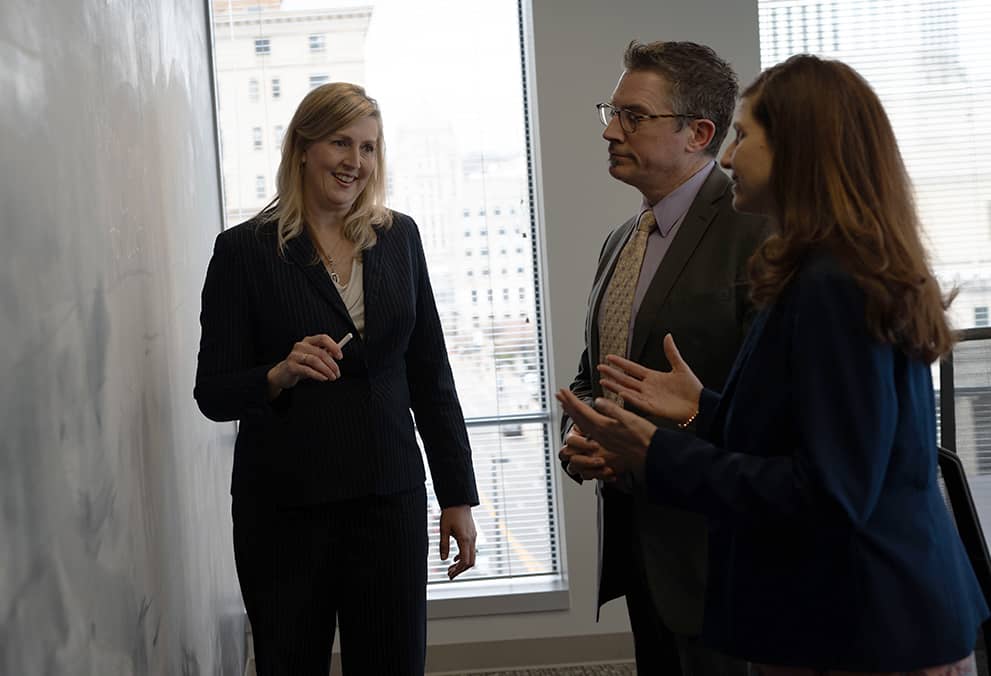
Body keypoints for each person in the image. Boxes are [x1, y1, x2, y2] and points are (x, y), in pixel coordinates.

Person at [558, 54, 989, 674]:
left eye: (742, 135)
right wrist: (701, 409)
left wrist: (656, 452)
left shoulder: (833, 284)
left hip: (870, 620)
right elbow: (809, 434)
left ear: (799, 150)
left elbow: (829, 492)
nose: (729, 156)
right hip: (849, 614)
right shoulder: (830, 269)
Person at [194, 82, 479, 676]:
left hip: (389, 499)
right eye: (340, 143)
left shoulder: (400, 237)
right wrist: (278, 373)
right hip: (286, 510)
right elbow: (213, 392)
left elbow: (431, 374)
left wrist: (457, 495)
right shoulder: (244, 251)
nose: (355, 161)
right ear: (303, 148)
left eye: (369, 147)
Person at [559, 40, 767, 675]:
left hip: (722, 552)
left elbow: (773, 410)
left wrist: (671, 430)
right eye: (611, 112)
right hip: (638, 540)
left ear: (697, 134)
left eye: (633, 116)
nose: (609, 131)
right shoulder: (621, 240)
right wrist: (583, 432)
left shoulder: (758, 232)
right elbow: (596, 371)